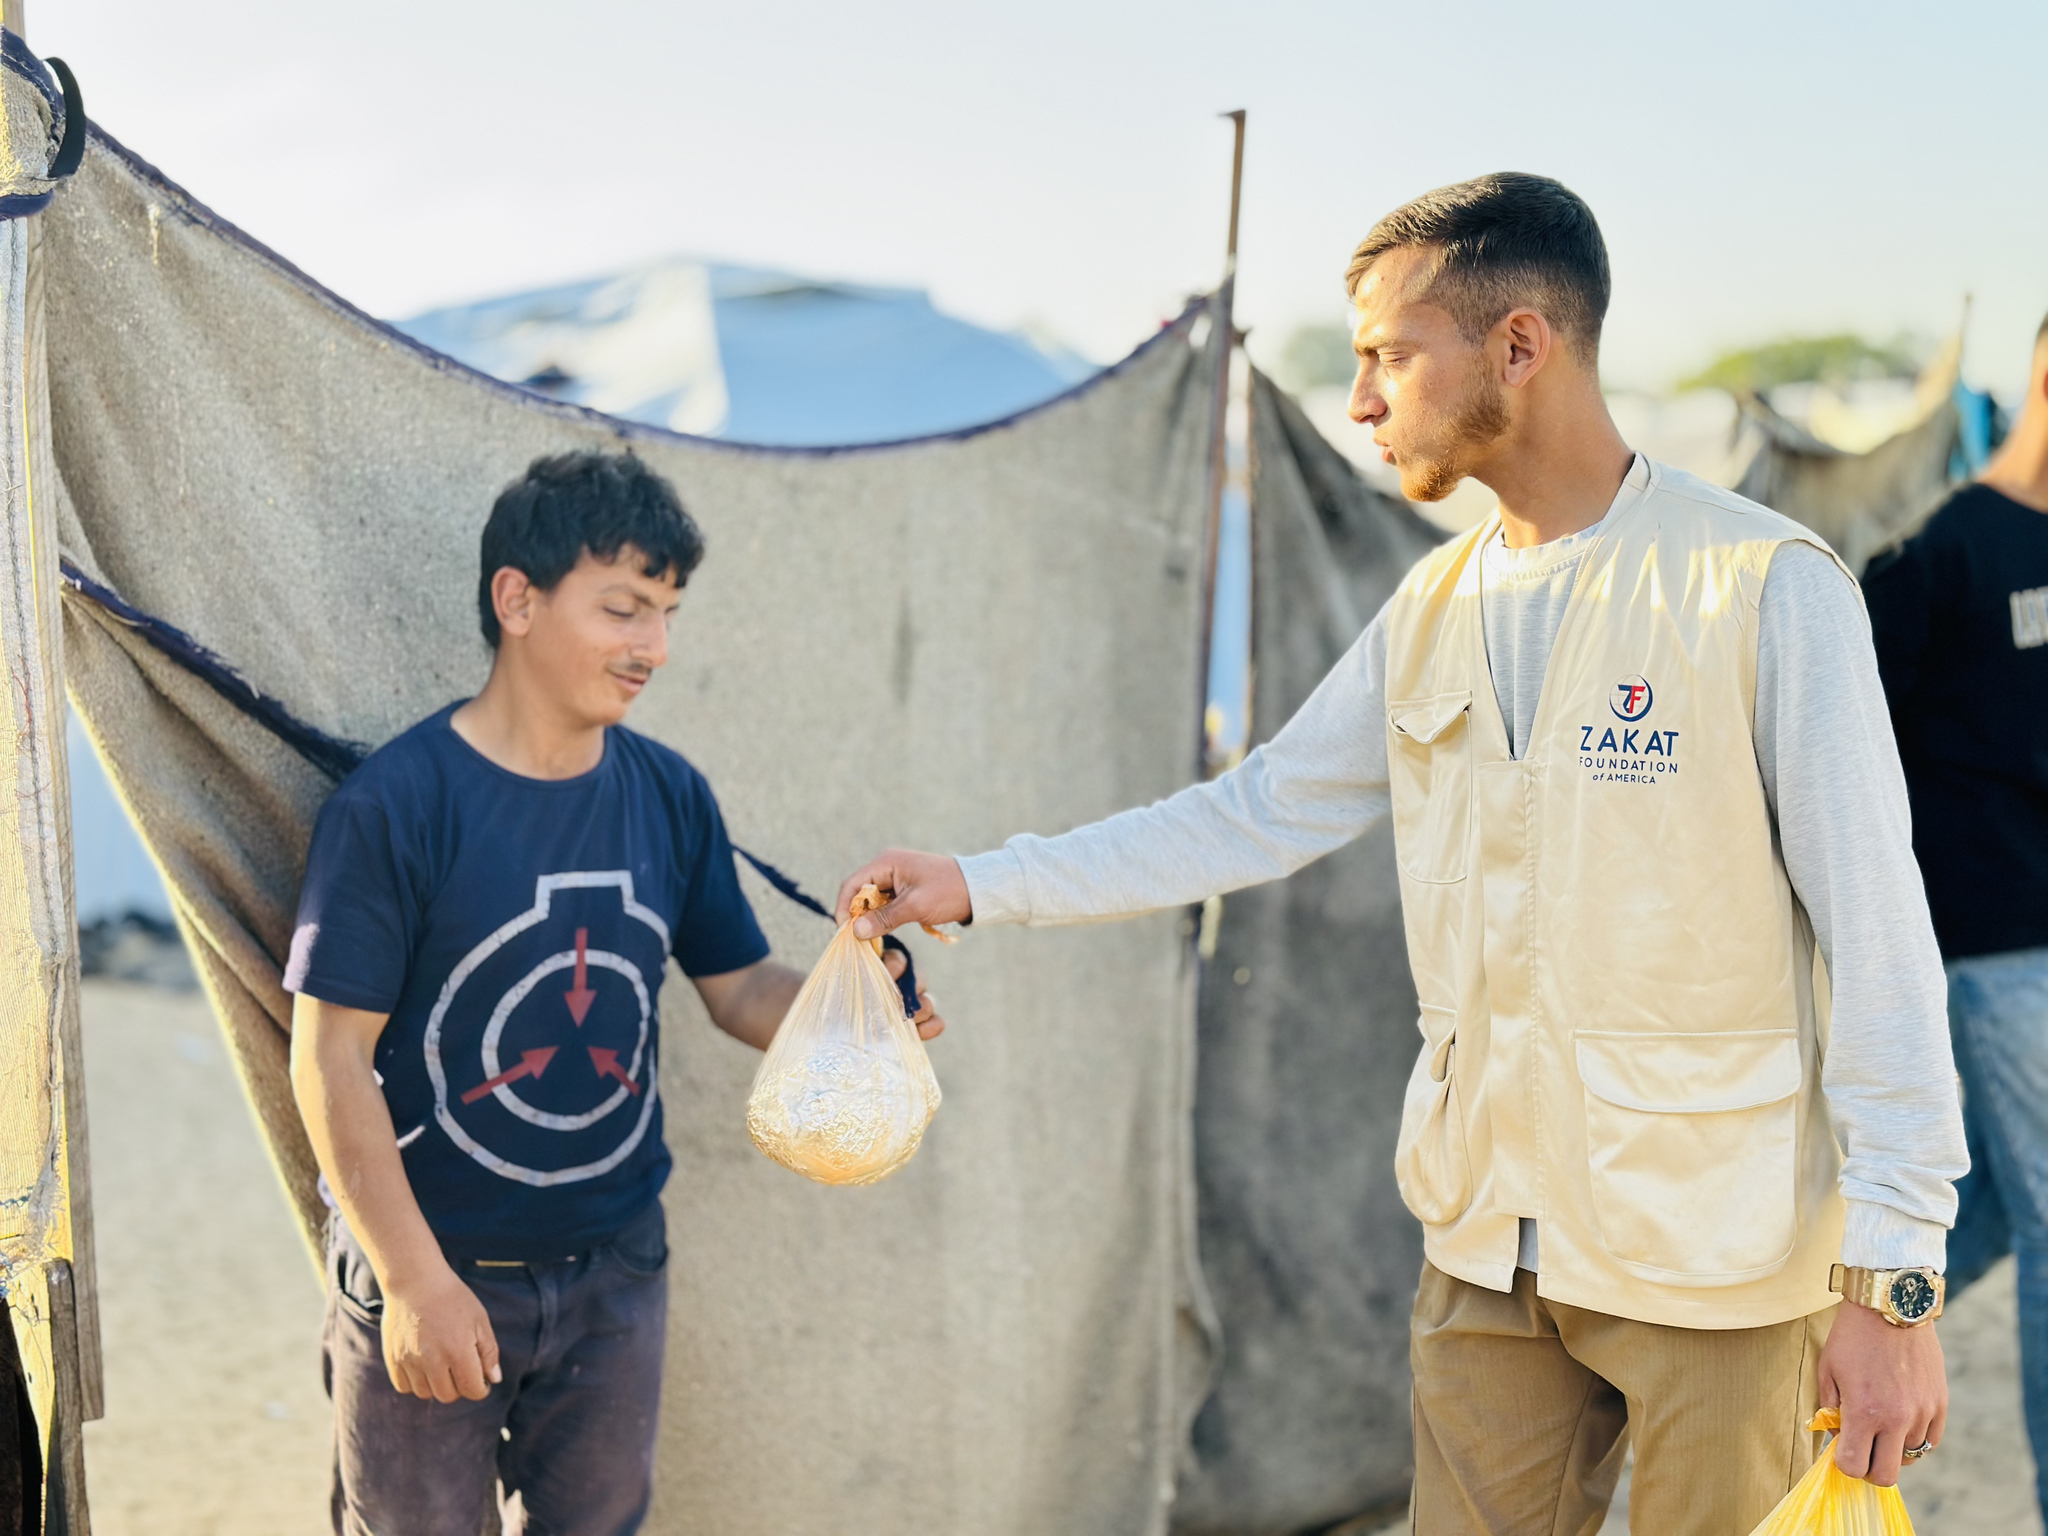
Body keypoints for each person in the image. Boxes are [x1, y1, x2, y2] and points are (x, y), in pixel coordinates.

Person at [837, 174, 1967, 1533]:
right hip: (1490, 1250)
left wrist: (1895, 1284)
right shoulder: (1434, 604)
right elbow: (1250, 811)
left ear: (1521, 345)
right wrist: (986, 882)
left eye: (1387, 355)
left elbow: (1882, 941)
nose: (1361, 400)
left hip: (1722, 1264)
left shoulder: (1763, 588)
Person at [286, 450, 939, 1536]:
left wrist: (863, 1015)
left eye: (669, 614)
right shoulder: (394, 807)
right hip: (433, 1268)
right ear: (518, 600)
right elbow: (329, 1058)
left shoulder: (668, 794)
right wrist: (412, 1282)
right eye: (626, 609)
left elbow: (738, 993)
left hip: (615, 1272)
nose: (655, 649)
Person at [1864, 310, 2048, 1523]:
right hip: (1984, 949)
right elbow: (1845, 765)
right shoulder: (1932, 550)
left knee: (1979, 1212)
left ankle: (1827, 1346)